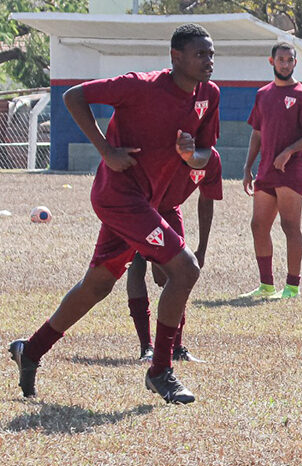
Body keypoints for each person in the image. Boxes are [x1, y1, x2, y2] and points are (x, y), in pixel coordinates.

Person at [8, 24, 219, 403]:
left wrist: (191, 156)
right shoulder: (139, 86)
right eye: (201, 54)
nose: (209, 61)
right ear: (176, 57)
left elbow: (206, 153)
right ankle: (160, 371)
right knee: (185, 269)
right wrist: (106, 150)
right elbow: (74, 96)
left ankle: (31, 350)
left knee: (97, 286)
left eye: (211, 54)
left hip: (145, 203)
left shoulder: (209, 95)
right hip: (118, 197)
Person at [241, 42, 302, 300]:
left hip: (291, 171)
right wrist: (247, 168)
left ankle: (292, 287)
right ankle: (266, 285)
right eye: (281, 59)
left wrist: (289, 150)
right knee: (258, 225)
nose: (286, 64)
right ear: (271, 62)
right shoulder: (262, 94)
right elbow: (256, 133)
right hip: (266, 170)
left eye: (290, 60)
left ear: (294, 63)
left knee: (289, 226)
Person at [127, 149, 222, 363]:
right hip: (136, 204)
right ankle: (146, 348)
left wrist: (202, 248)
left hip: (168, 209)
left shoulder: (211, 158)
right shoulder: (168, 147)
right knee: (136, 264)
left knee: (177, 274)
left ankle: (176, 347)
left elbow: (207, 199)